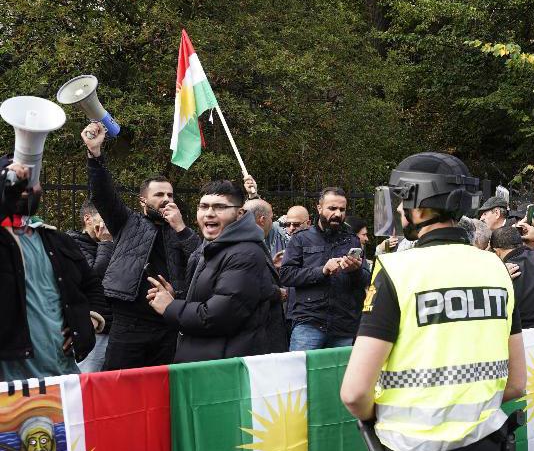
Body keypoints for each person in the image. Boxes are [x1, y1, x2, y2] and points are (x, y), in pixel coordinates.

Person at [339, 152, 526, 451]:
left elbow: (353, 392)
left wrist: (376, 415)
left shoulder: (397, 270)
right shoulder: (495, 269)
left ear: (417, 205)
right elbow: (516, 384)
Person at [81, 122, 202, 370]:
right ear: (143, 201)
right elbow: (103, 195)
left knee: (160, 392)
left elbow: (201, 260)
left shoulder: (181, 230)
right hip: (129, 323)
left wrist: (181, 228)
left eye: (170, 195)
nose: (166, 199)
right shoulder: (127, 222)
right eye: (159, 195)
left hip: (167, 323)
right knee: (120, 390)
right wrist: (95, 155)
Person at [146, 180, 287, 362]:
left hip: (222, 368)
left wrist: (170, 307)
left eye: (219, 207)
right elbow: (209, 297)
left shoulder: (245, 253)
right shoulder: (212, 247)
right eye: (204, 206)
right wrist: (176, 298)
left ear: (239, 214)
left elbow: (218, 317)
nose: (209, 213)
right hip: (204, 358)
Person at [1, 156, 106, 381]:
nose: (25, 186)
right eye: (15, 179)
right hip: (10, 389)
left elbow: (92, 286)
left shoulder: (59, 240)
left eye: (31, 178)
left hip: (63, 379)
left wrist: (88, 321)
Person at [279, 187, 369, 350]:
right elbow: (286, 275)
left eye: (342, 209)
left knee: (337, 376)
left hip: (343, 324)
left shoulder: (352, 241)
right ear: (319, 208)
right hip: (309, 322)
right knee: (300, 373)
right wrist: (322, 271)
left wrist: (355, 271)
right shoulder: (301, 238)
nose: (338, 214)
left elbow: (366, 279)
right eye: (332, 208)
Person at [67, 200, 115, 373]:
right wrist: (106, 243)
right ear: (88, 219)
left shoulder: (111, 243)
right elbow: (94, 278)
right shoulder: (73, 244)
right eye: (105, 217)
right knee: (88, 382)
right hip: (95, 330)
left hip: (115, 328)